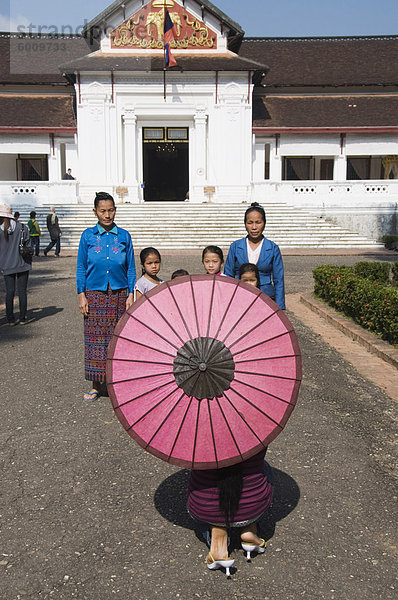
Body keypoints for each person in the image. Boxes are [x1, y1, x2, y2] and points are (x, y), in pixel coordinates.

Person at [76, 192, 136, 401]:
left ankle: (116, 383)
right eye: (103, 211)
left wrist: (130, 293)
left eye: (111, 210)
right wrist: (81, 295)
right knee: (94, 341)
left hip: (119, 295)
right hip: (94, 295)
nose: (107, 215)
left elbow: (130, 268)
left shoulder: (124, 236)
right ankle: (95, 385)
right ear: (95, 212)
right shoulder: (88, 236)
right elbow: (81, 267)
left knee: (117, 340)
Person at [187, 450, 273, 577]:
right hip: (252, 508)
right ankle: (250, 529)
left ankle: (218, 538)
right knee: (264, 468)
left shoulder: (195, 438)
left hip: (206, 510)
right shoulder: (256, 432)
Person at [224, 202, 285, 309]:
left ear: (264, 223)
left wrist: (280, 307)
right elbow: (228, 276)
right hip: (239, 298)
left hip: (266, 298)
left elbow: (278, 280)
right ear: (245, 224)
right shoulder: (235, 246)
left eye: (258, 222)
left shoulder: (273, 248)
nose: (254, 227)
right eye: (250, 222)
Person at [0, 204, 32, 325]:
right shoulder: (22, 227)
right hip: (22, 262)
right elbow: (29, 244)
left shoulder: (0, 230)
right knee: (22, 291)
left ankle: (10, 318)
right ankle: (23, 317)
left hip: (7, 264)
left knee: (10, 292)